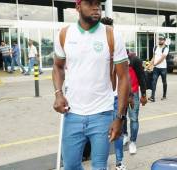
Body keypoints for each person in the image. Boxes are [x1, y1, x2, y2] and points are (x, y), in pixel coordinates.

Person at [52, 0, 129, 169]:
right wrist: (58, 93)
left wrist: (120, 118)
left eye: (98, 3)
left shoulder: (112, 35)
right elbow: (58, 67)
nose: (96, 7)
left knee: (99, 166)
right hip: (72, 114)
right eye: (90, 3)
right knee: (70, 166)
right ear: (78, 7)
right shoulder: (64, 34)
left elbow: (124, 78)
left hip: (102, 114)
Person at [100, 16, 127, 170]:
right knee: (101, 133)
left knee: (118, 130)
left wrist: (128, 96)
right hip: (101, 99)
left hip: (116, 97)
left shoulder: (118, 45)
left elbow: (125, 76)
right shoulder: (95, 49)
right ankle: (102, 162)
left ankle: (119, 162)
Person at [122, 50, 147, 155]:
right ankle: (125, 135)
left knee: (134, 118)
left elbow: (141, 76)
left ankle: (133, 142)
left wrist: (144, 94)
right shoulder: (116, 59)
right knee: (122, 117)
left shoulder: (135, 59)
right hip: (121, 93)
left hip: (134, 93)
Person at [148, 34, 169, 102]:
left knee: (164, 82)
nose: (160, 40)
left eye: (162, 39)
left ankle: (164, 96)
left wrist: (154, 64)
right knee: (153, 82)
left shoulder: (166, 48)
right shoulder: (155, 47)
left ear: (164, 40)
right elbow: (154, 58)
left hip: (163, 68)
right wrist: (148, 66)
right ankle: (152, 97)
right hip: (156, 68)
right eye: (159, 39)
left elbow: (162, 58)